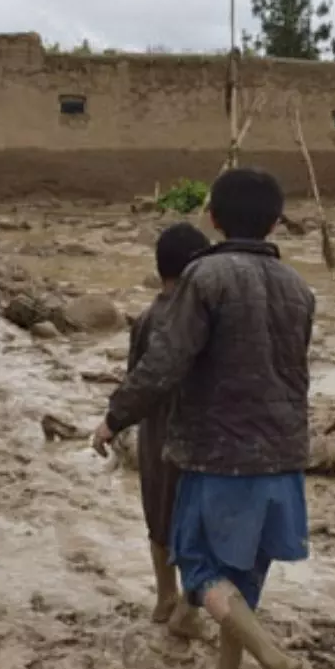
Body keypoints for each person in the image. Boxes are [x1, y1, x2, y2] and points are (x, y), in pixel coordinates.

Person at [91, 168, 315, 669]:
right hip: (284, 457)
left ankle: (277, 663)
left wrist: (115, 417)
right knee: (241, 583)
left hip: (220, 456)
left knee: (199, 571)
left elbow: (165, 363)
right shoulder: (298, 288)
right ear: (275, 220)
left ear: (212, 217)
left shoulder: (206, 276)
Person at [128, 222, 212, 641]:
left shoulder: (146, 320)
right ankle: (189, 607)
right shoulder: (207, 318)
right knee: (195, 525)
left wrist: (115, 420)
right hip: (200, 439)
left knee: (158, 521)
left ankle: (165, 596)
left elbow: (137, 380)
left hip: (156, 435)